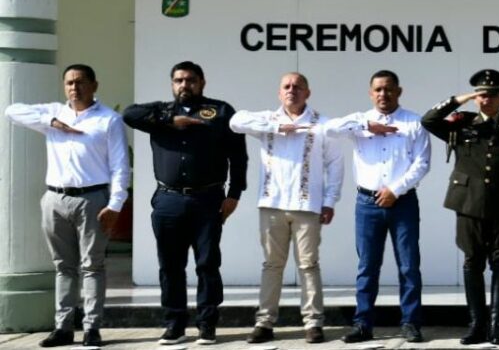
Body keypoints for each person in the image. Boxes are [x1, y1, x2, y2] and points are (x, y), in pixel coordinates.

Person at [4, 64, 130, 348]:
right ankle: (62, 327)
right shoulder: (53, 113)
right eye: (70, 83)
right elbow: (11, 111)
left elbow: (121, 166)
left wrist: (116, 204)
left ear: (94, 86)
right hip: (54, 198)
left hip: (92, 198)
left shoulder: (108, 120)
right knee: (63, 266)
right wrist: (52, 121)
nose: (75, 88)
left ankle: (92, 328)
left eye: (81, 82)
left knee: (92, 266)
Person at [123, 61, 248, 345]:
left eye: (190, 80)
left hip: (208, 199)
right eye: (178, 80)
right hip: (168, 200)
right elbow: (129, 114)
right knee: (170, 266)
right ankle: (174, 325)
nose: (184, 85)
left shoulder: (220, 111)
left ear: (202, 82)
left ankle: (207, 324)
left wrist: (234, 194)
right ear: (172, 84)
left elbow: (238, 157)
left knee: (207, 264)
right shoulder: (161, 113)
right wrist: (170, 122)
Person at [421, 69, 499, 345]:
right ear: (475, 97)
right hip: (468, 203)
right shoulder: (460, 123)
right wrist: (459, 99)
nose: (487, 99)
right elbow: (429, 120)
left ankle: (496, 327)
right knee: (472, 262)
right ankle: (476, 325)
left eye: (492, 95)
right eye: (482, 94)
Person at [230, 72, 344, 344]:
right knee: (272, 265)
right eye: (287, 86)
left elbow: (336, 165)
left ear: (308, 92)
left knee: (308, 265)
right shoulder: (268, 120)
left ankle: (313, 323)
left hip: (308, 206)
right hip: (272, 205)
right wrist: (278, 128)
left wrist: (329, 201)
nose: (292, 90)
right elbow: (235, 121)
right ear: (280, 93)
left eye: (298, 86)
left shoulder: (322, 124)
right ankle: (265, 322)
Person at [326, 70, 431, 344]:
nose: (383, 94)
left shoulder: (414, 122)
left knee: (409, 265)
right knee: (367, 266)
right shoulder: (360, 121)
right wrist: (364, 127)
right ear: (370, 93)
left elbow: (422, 164)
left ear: (399, 91)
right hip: (367, 203)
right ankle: (363, 324)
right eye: (378, 90)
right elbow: (328, 129)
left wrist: (395, 191)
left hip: (403, 202)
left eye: (388, 89)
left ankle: (410, 322)